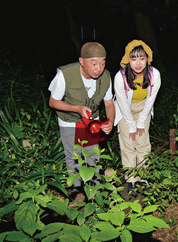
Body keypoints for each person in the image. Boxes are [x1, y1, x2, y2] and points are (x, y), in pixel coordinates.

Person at [48, 42, 115, 193]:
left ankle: (95, 190)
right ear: (81, 61)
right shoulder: (65, 75)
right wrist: (76, 109)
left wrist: (110, 120)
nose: (99, 68)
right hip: (69, 120)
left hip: (92, 120)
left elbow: (109, 103)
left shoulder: (105, 77)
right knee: (73, 156)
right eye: (94, 63)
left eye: (103, 63)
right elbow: (52, 102)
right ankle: (77, 191)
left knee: (92, 153)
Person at [114, 39, 161, 193]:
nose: (138, 63)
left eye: (142, 58)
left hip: (143, 108)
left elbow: (151, 100)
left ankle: (143, 177)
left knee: (142, 143)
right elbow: (122, 103)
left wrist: (140, 123)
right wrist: (131, 125)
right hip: (124, 109)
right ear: (128, 59)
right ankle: (131, 180)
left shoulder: (154, 74)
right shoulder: (120, 77)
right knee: (128, 143)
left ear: (148, 59)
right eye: (133, 58)